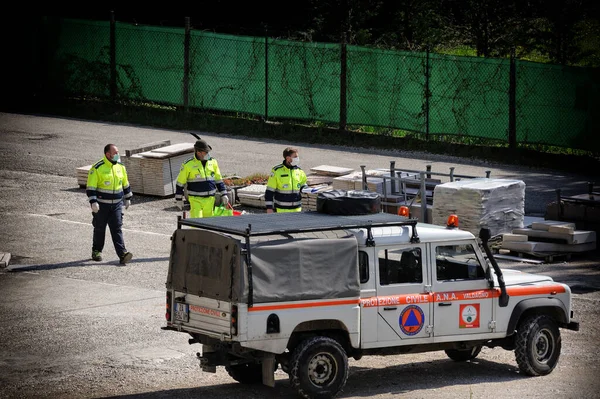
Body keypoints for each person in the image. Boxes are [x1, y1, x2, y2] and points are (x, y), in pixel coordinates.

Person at [86, 144, 133, 265]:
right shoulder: (97, 168)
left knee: (117, 228)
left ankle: (122, 254)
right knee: (100, 229)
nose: (118, 154)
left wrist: (128, 197)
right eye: (115, 152)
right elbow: (91, 187)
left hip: (117, 205)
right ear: (108, 154)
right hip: (102, 206)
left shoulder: (120, 167)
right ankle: (96, 251)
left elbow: (125, 183)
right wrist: (93, 202)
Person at [175, 138, 229, 218]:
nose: (207, 154)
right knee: (197, 223)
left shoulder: (213, 162)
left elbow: (218, 180)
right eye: (205, 152)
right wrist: (179, 199)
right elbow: (180, 182)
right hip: (195, 200)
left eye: (207, 152)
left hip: (210, 200)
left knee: (208, 224)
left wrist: (224, 194)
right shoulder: (188, 164)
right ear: (198, 152)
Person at [265, 147, 308, 213]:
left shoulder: (299, 171)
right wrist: (269, 208)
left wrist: (308, 189)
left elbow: (303, 185)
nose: (297, 159)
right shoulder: (276, 171)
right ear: (288, 158)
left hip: (297, 210)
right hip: (281, 210)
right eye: (295, 157)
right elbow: (269, 191)